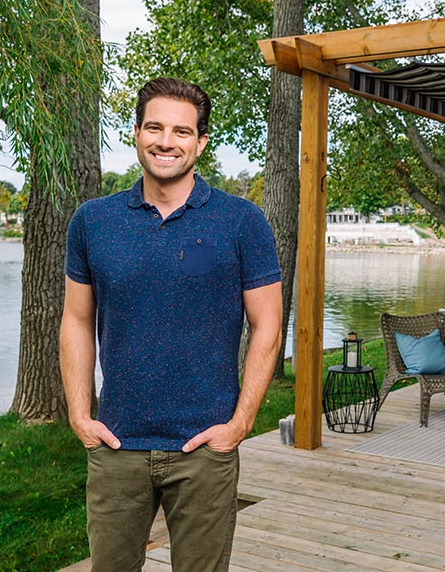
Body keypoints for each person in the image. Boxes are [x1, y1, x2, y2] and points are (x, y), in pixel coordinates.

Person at [60, 76, 283, 572]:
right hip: (117, 444)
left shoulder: (242, 221)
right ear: (136, 133)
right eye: (155, 127)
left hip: (205, 448)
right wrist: (80, 414)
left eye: (182, 132)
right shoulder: (92, 222)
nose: (166, 141)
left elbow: (267, 325)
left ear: (201, 142)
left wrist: (241, 423)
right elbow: (76, 320)